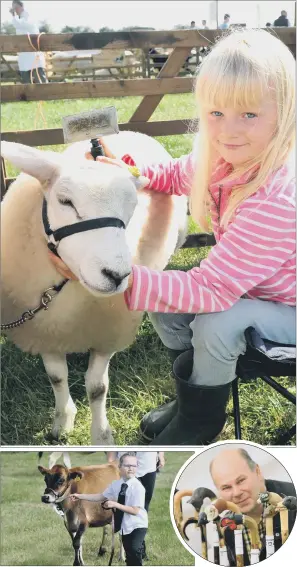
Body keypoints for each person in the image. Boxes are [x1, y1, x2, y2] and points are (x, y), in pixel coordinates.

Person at [51, 29, 296, 446]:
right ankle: (192, 395)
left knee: (217, 321)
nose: (228, 131)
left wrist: (118, 276)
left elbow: (212, 289)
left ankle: (201, 421)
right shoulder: (223, 158)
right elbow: (180, 173)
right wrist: (133, 174)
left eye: (249, 115)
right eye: (215, 114)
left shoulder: (278, 198)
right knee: (166, 304)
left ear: (286, 111)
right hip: (257, 288)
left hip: (287, 306)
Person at [209, 448, 296, 561]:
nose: (236, 493)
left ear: (257, 472)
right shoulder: (226, 530)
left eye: (241, 481)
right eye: (226, 487)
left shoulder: (292, 498)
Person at [71, 452, 148, 566]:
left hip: (138, 525)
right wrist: (80, 496)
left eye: (134, 466)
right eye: (127, 465)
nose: (130, 468)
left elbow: (135, 511)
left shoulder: (138, 487)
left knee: (134, 550)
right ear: (119, 467)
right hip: (124, 525)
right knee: (129, 555)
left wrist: (115, 505)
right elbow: (100, 496)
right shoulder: (116, 484)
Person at [106, 451, 165, 560]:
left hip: (148, 465)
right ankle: (133, 550)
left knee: (143, 509)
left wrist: (160, 454)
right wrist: (111, 460)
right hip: (126, 468)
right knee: (126, 509)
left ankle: (138, 549)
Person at [10, 0, 47, 83]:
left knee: (41, 82)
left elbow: (19, 24)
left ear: (22, 7)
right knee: (27, 84)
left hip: (33, 57)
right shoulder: (20, 19)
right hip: (24, 57)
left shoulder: (29, 18)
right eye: (13, 8)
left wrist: (13, 16)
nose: (15, 10)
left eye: (16, 7)